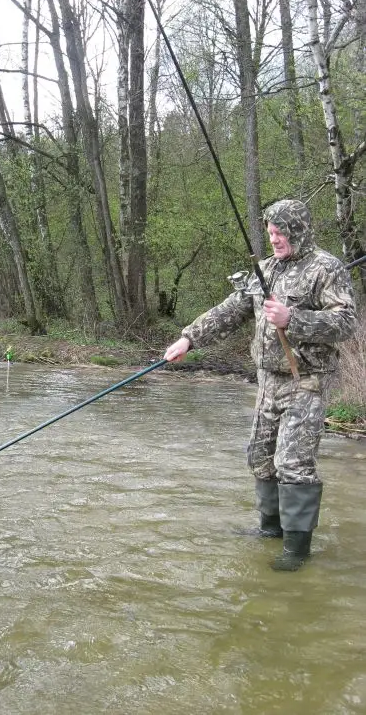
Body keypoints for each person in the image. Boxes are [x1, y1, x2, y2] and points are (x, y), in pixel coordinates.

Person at [164, 199, 358, 571]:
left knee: (293, 462)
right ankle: (271, 532)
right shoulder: (263, 271)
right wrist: (188, 340)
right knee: (259, 457)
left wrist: (294, 318)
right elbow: (229, 311)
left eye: (281, 232)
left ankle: (297, 550)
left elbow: (346, 322)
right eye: (270, 233)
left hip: (308, 381)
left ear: (298, 230)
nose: (275, 239)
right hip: (268, 381)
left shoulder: (326, 268)